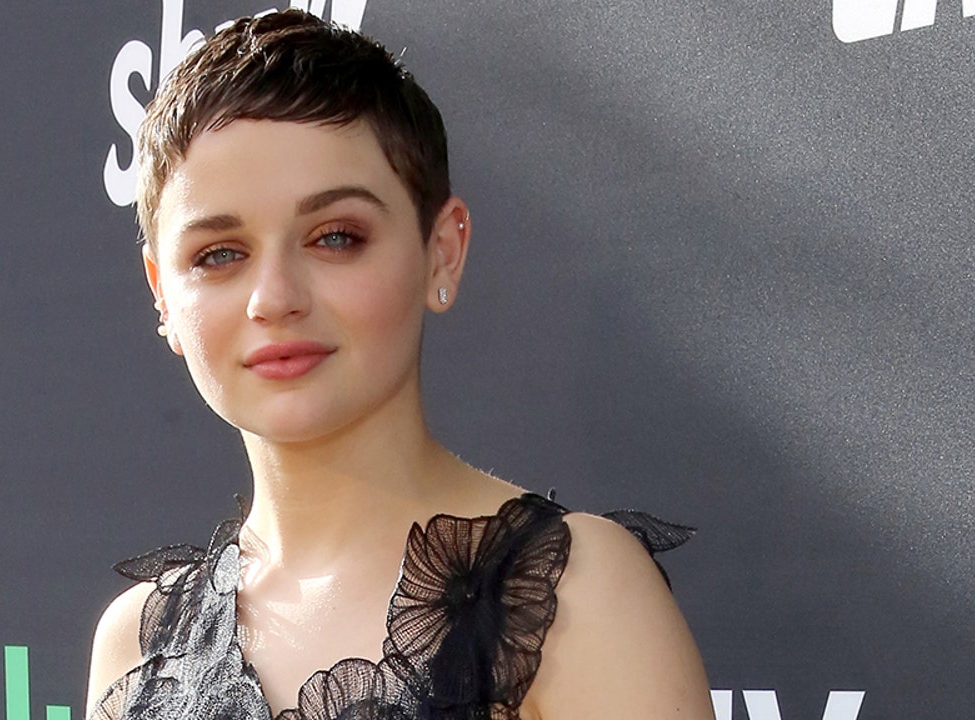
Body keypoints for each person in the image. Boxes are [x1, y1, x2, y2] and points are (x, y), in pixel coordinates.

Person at [85, 9, 714, 720]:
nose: (275, 297)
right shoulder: (138, 648)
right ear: (162, 295)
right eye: (219, 255)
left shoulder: (577, 593)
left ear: (442, 251)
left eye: (335, 237)